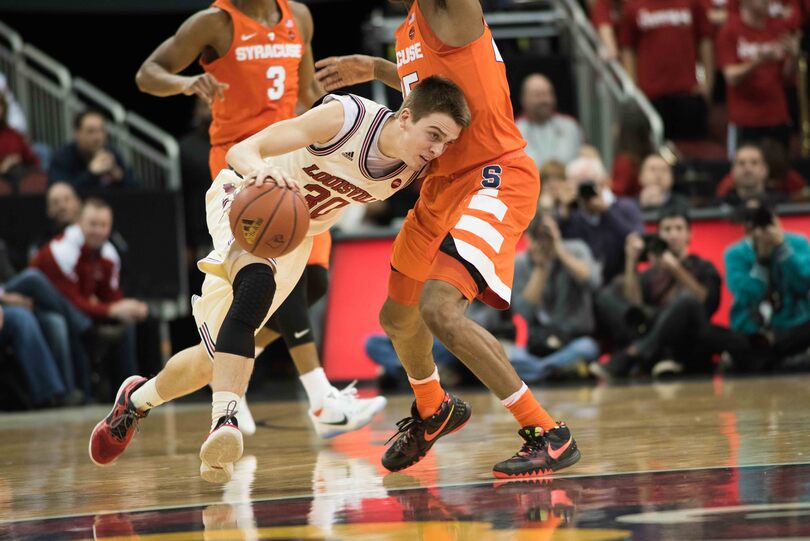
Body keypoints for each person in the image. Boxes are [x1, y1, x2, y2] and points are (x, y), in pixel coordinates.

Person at [87, 76, 470, 483]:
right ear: (405, 116)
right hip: (249, 198)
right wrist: (264, 175)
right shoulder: (346, 118)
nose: (437, 149)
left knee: (210, 359)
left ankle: (135, 399)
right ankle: (225, 422)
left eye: (446, 142)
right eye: (434, 135)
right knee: (256, 284)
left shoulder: (413, 170)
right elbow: (243, 150)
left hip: (294, 238)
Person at [314, 0, 581, 479]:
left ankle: (547, 433)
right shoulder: (405, 32)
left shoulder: (450, 11)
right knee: (398, 317)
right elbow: (434, 95)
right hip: (441, 184)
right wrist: (375, 67)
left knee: (439, 309)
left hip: (494, 174)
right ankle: (434, 407)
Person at [135, 0, 343, 437]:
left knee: (314, 281)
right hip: (238, 164)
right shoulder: (215, 22)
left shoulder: (297, 17)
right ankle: (319, 395)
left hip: (291, 158)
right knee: (270, 280)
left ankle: (228, 359)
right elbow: (147, 73)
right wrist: (186, 82)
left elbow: (306, 97)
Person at [48, 110, 136, 191]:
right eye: (91, 131)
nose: (98, 137)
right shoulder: (62, 157)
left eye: (101, 130)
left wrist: (119, 176)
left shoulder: (112, 154)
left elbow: (138, 190)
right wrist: (91, 173)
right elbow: (63, 195)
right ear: (77, 134)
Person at [515, 73, 584, 168]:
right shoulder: (515, 131)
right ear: (524, 99)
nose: (544, 100)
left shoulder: (570, 127)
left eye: (548, 94)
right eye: (537, 95)